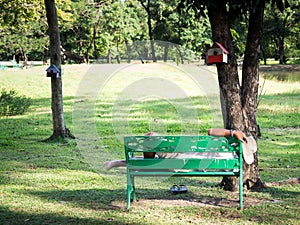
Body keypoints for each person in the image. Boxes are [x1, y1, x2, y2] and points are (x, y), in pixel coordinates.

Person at [104, 128, 248, 170]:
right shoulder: (230, 162)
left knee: (150, 137)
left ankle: (117, 163)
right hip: (184, 162)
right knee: (153, 151)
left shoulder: (221, 143)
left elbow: (211, 131)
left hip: (179, 158)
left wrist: (232, 132)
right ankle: (116, 163)